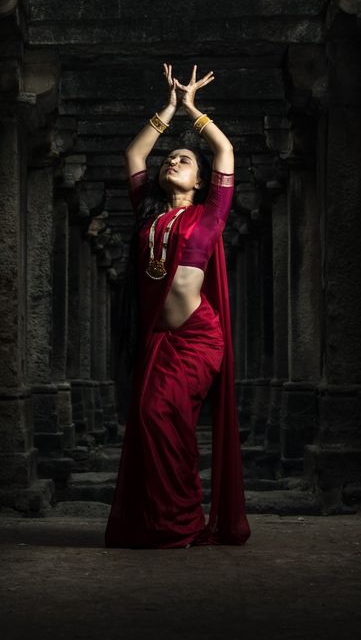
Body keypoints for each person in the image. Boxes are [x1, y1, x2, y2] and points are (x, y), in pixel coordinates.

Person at [104, 63, 251, 549]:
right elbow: (135, 152)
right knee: (157, 421)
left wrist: (193, 111)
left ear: (200, 180)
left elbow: (226, 151)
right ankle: (164, 518)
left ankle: (182, 521)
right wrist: (166, 110)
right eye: (171, 158)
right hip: (159, 340)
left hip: (197, 338)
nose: (173, 162)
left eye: (185, 160)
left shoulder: (212, 214)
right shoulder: (147, 214)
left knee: (160, 414)